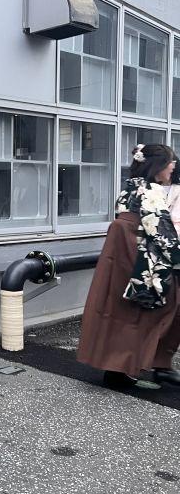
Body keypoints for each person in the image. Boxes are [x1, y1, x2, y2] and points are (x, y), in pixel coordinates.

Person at [77, 143, 180, 389]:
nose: (173, 166)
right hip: (140, 260)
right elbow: (162, 235)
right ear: (157, 166)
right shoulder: (151, 192)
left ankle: (118, 368)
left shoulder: (130, 187)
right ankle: (158, 363)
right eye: (170, 162)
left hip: (120, 260)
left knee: (119, 314)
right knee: (164, 308)